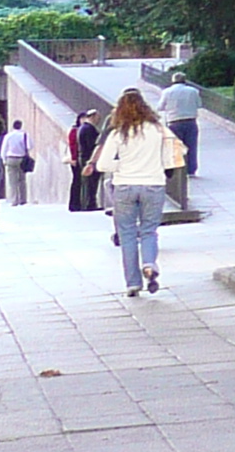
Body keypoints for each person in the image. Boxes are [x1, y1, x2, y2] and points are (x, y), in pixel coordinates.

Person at [96, 91, 184, 297]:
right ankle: (150, 264)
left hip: (125, 186)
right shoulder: (157, 130)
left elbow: (103, 164)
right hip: (153, 185)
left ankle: (133, 283)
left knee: (127, 234)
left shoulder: (117, 134)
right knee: (149, 230)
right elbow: (168, 157)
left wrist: (123, 164)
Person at [158, 70, 203, 179]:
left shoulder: (167, 92)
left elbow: (160, 107)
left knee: (175, 147)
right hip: (191, 122)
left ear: (173, 81)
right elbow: (199, 105)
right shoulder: (193, 91)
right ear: (185, 80)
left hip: (174, 122)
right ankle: (191, 170)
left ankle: (177, 170)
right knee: (191, 147)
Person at [65, 108, 101, 212]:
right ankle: (89, 204)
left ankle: (85, 204)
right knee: (89, 183)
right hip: (87, 158)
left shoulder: (82, 128)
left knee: (85, 182)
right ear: (93, 117)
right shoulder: (89, 129)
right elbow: (91, 145)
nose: (98, 120)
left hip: (82, 157)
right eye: (97, 117)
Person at [0, 115, 30, 207]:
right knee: (22, 180)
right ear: (21, 126)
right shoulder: (24, 135)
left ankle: (14, 200)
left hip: (10, 158)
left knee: (12, 181)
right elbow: (30, 146)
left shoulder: (8, 136)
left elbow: (3, 149)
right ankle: (23, 199)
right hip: (21, 158)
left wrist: (4, 159)